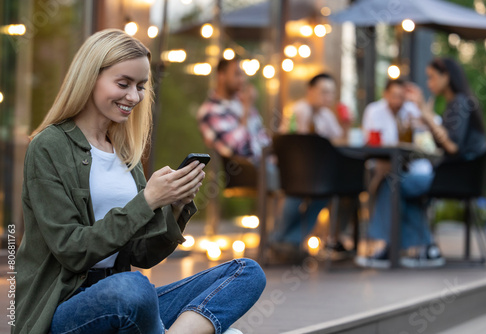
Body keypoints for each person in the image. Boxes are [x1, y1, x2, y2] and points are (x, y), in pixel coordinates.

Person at [15, 29, 266, 334]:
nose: (133, 97)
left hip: (127, 302)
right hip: (65, 308)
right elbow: (71, 250)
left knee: (246, 272)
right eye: (123, 84)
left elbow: (142, 255)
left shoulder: (123, 152)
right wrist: (146, 200)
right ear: (90, 77)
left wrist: (174, 206)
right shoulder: (48, 146)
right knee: (133, 288)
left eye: (141, 86)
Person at [356, 58, 486, 269]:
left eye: (432, 77)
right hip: (458, 175)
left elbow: (452, 147)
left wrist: (424, 112)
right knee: (400, 184)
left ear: (446, 76)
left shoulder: (460, 102)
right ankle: (424, 249)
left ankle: (395, 247)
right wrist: (425, 120)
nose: (429, 83)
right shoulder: (457, 102)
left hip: (456, 177)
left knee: (393, 182)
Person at [273, 73, 346, 253]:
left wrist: (346, 123)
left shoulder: (326, 115)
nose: (328, 97)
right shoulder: (299, 110)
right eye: (324, 92)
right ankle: (278, 239)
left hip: (316, 172)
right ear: (310, 90)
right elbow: (301, 143)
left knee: (325, 191)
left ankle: (289, 241)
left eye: (331, 93)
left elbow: (338, 140)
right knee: (297, 192)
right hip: (292, 171)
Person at [197, 57, 271, 166]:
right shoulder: (209, 112)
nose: (242, 80)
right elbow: (237, 149)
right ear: (221, 76)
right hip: (242, 176)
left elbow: (264, 140)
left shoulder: (242, 103)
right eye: (237, 74)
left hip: (264, 170)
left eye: (242, 75)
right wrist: (246, 110)